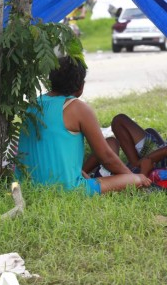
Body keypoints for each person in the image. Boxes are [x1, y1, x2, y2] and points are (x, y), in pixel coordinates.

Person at [16, 56, 151, 195]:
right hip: (68, 189)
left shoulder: (34, 104)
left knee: (111, 143)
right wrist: (130, 178)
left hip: (27, 187)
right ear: (81, 86)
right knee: (137, 179)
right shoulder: (77, 108)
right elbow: (106, 157)